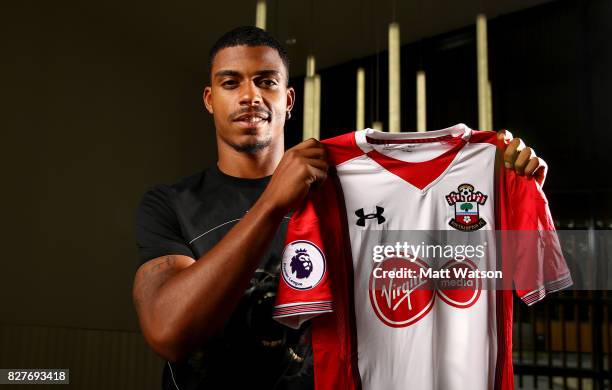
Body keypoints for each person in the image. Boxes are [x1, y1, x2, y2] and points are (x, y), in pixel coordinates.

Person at [133, 26, 548, 390]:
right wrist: (273, 203)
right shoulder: (170, 202)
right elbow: (169, 333)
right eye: (230, 83)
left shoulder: (348, 189)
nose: (250, 95)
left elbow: (452, 273)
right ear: (209, 99)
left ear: (289, 98)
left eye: (266, 81)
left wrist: (509, 200)